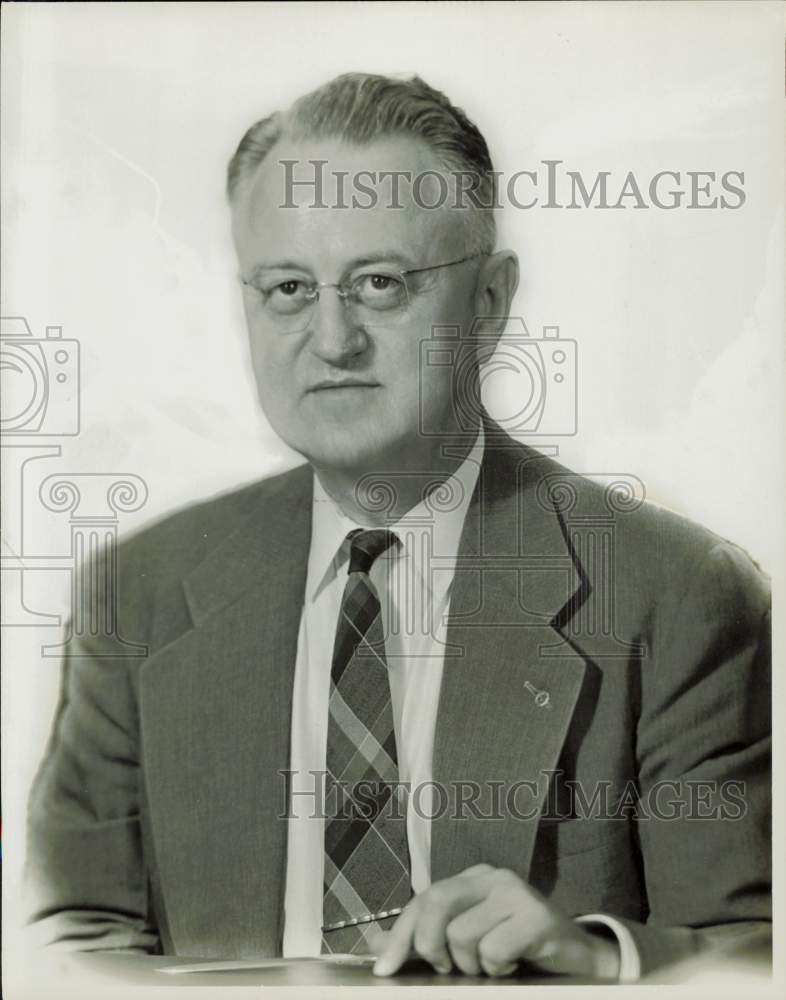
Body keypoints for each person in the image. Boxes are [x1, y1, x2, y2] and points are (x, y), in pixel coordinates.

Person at [26, 73, 771, 982]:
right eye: (290, 288)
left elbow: (751, 963)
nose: (332, 339)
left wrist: (593, 958)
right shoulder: (137, 594)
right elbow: (56, 952)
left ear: (490, 303)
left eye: (381, 283)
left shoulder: (679, 594)